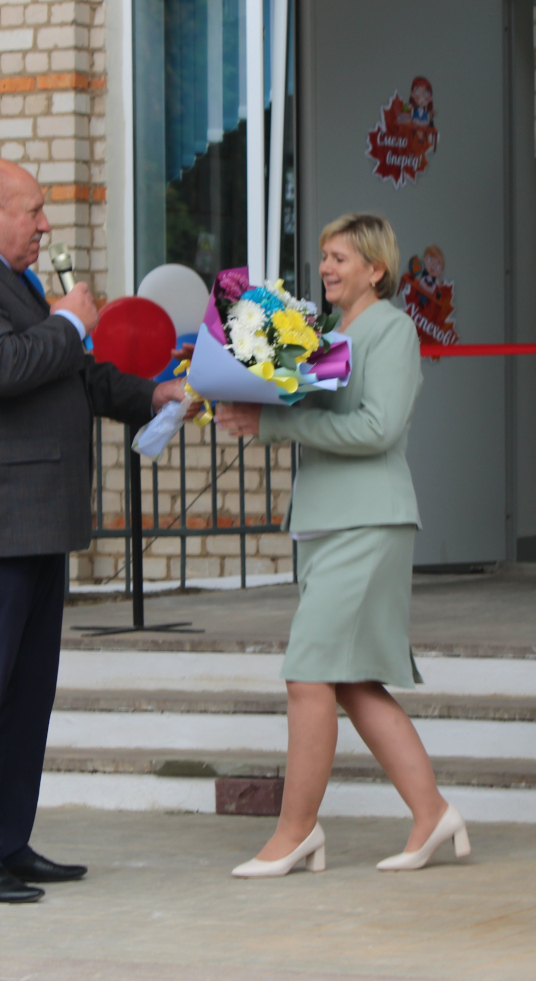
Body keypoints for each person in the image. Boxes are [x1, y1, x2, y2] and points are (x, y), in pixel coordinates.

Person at [0, 159, 189, 903]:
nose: (45, 224)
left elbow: (72, 375)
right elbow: (1, 368)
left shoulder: (11, 279)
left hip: (31, 521)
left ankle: (6, 840)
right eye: (34, 211)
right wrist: (67, 320)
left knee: (26, 697)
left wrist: (152, 393)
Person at [216, 214, 470, 877]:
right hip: (328, 521)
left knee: (308, 673)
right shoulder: (326, 333)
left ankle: (295, 831)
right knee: (352, 682)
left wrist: (275, 424)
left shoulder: (392, 330)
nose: (326, 267)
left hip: (367, 520)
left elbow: (378, 428)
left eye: (340, 257)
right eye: (324, 256)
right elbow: (311, 411)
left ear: (375, 269)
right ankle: (432, 812)